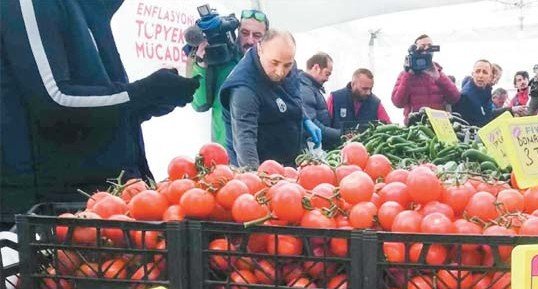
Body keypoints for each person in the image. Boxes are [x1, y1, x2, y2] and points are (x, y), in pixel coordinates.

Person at [0, 0, 199, 229]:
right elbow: (54, 100)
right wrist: (142, 93)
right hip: (45, 209)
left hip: (102, 203)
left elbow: (92, 104)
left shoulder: (90, 10)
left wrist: (150, 101)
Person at [220, 30, 319, 168]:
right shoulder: (244, 90)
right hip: (261, 166)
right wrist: (255, 179)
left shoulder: (287, 62)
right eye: (274, 63)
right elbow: (244, 140)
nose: (280, 72)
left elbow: (293, 95)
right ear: (260, 49)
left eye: (287, 65)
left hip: (287, 164)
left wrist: (305, 118)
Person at [189, 9, 269, 165]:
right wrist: (200, 64)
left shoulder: (272, 66)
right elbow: (199, 104)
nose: (250, 40)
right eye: (245, 33)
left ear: (266, 37)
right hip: (225, 156)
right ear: (237, 32)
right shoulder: (222, 62)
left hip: (262, 154)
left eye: (257, 35)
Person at [391, 34, 460, 125]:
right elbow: (398, 103)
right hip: (415, 125)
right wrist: (408, 75)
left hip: (439, 124)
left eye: (430, 47)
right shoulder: (405, 75)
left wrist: (439, 77)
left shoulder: (439, 72)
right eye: (422, 47)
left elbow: (454, 97)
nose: (426, 50)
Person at [327, 68, 391, 133]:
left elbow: (389, 127)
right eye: (364, 88)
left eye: (371, 89)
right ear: (353, 84)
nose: (368, 92)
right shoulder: (334, 98)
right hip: (338, 142)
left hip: (366, 142)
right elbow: (325, 127)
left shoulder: (376, 103)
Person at [300, 52, 342, 150]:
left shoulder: (313, 88)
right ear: (316, 68)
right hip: (311, 146)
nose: (327, 79)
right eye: (327, 74)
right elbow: (312, 123)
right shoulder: (305, 89)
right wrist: (340, 134)